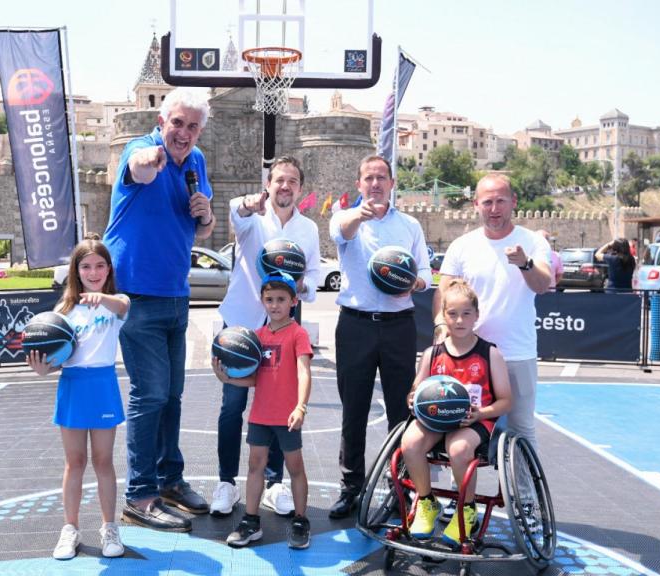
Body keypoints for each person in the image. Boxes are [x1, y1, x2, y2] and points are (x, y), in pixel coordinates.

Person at [103, 88, 216, 532]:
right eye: (177, 123)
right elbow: (138, 170)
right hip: (136, 294)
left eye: (192, 126)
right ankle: (141, 496)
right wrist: (149, 161)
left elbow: (202, 231)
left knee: (171, 396)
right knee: (150, 395)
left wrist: (206, 214)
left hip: (175, 293)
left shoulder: (197, 162)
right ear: (161, 119)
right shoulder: (141, 149)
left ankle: (170, 480)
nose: (184, 133)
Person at [213, 156, 320, 518]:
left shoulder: (308, 230)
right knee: (232, 406)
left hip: (281, 329)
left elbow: (315, 279)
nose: (285, 186)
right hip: (243, 325)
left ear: (300, 189)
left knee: (277, 406)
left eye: (292, 181)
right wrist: (246, 204)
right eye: (279, 181)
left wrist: (298, 283)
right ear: (268, 185)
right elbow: (234, 212)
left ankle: (274, 484)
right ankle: (226, 482)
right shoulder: (253, 218)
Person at [327, 155, 432, 519]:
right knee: (353, 410)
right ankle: (351, 488)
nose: (375, 183)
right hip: (355, 325)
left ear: (391, 183)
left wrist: (412, 282)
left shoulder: (409, 225)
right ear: (359, 184)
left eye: (381, 178)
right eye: (368, 178)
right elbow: (339, 232)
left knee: (400, 411)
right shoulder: (346, 219)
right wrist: (359, 214)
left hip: (399, 324)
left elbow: (426, 275)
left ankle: (398, 485)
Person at [26, 235, 130, 561]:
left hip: (102, 386)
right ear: (76, 270)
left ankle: (109, 527)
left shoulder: (115, 303)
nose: (93, 271)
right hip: (72, 385)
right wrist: (44, 369)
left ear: (109, 269)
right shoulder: (63, 310)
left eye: (100, 265)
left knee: (103, 461)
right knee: (75, 463)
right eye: (86, 266)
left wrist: (102, 297)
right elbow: (56, 358)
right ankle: (69, 529)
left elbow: (123, 306)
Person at [435, 174, 551, 451]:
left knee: (520, 431)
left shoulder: (532, 242)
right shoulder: (462, 245)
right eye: (488, 202)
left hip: (516, 353)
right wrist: (441, 330)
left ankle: (522, 496)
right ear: (476, 204)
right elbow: (443, 294)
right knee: (458, 427)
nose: (494, 209)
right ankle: (461, 493)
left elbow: (543, 284)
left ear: (514, 202)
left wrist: (525, 264)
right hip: (468, 355)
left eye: (501, 201)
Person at [401, 279, 512, 545]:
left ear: (476, 315)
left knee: (459, 450)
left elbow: (506, 401)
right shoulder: (432, 353)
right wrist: (413, 398)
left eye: (466, 314)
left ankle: (466, 508)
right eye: (452, 313)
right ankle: (427, 501)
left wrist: (481, 413)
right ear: (443, 316)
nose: (459, 320)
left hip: (474, 420)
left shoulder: (490, 353)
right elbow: (415, 391)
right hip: (436, 418)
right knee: (410, 443)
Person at [212, 273, 313, 550]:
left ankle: (301, 520)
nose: (275, 305)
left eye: (281, 300)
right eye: (269, 300)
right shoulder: (257, 337)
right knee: (255, 466)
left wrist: (300, 406)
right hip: (260, 415)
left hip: (287, 415)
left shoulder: (298, 334)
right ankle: (251, 520)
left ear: (293, 301)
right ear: (262, 301)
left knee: (295, 468)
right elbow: (256, 379)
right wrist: (226, 378)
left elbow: (304, 372)